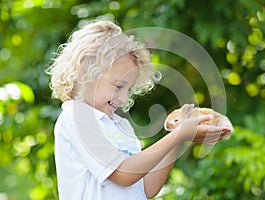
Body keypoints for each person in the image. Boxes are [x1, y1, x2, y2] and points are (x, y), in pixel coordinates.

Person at [47, 19, 230, 199]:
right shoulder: (76, 116)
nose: (124, 98)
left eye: (129, 89)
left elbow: (146, 188)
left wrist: (177, 137)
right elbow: (122, 174)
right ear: (87, 73)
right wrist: (179, 134)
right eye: (118, 86)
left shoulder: (121, 126)